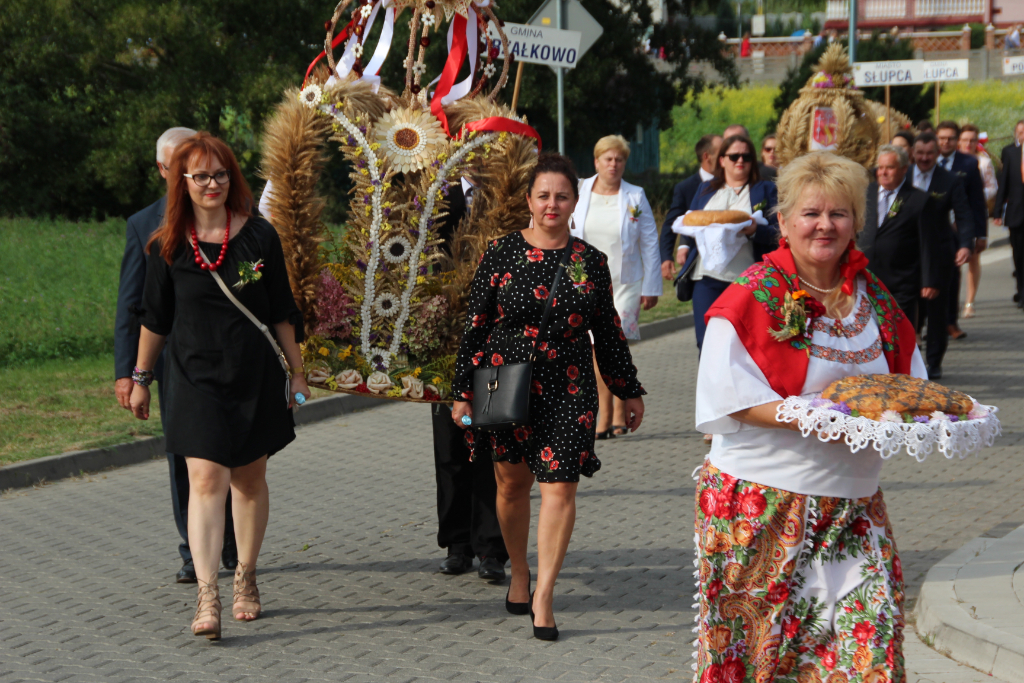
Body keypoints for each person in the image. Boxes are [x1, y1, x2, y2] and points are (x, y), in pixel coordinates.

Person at [692, 151, 926, 683]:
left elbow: (907, 385)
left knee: (872, 656)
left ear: (857, 224)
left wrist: (930, 415)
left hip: (854, 511)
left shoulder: (876, 300)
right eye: (811, 213)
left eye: (839, 214)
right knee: (759, 665)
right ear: (783, 221)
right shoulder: (751, 295)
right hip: (765, 506)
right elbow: (726, 399)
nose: (825, 225)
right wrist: (814, 413)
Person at [451, 153, 647, 640]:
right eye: (544, 196)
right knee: (512, 486)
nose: (552, 204)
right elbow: (475, 326)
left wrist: (627, 389)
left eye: (562, 196)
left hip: (570, 384)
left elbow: (609, 332)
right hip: (506, 381)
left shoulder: (589, 263)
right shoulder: (500, 254)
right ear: (529, 201)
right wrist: (461, 392)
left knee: (560, 487)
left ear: (575, 203)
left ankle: (544, 594)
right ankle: (519, 570)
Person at [130, 132, 309, 640]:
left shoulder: (258, 236)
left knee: (248, 481)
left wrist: (297, 372)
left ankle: (246, 577)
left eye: (221, 174)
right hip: (192, 376)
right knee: (206, 479)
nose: (212, 184)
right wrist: (141, 378)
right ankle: (207, 592)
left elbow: (281, 311)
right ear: (180, 182)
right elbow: (155, 319)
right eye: (201, 176)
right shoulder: (165, 243)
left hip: (252, 374)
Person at [114, 126, 238, 584]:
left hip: (234, 361)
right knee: (188, 461)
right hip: (178, 366)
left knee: (234, 457)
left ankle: (233, 546)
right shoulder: (145, 225)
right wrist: (130, 374)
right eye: (177, 169)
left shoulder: (240, 221)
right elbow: (134, 307)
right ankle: (193, 551)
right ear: (165, 171)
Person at [430, 179, 508, 581]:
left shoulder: (509, 189)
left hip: (498, 338)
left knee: (493, 446)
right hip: (446, 337)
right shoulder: (434, 192)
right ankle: (457, 543)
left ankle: (492, 547)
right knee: (450, 449)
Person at [571, 135, 660, 438]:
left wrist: (652, 286)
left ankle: (612, 414)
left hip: (626, 282)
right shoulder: (580, 190)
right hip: (587, 282)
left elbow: (649, 242)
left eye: (619, 159)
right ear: (596, 162)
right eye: (607, 159)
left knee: (615, 344)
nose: (613, 164)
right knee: (596, 348)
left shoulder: (635, 196)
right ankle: (608, 412)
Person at [677, 134, 778, 349]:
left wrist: (754, 230)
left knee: (742, 343)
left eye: (746, 156)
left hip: (747, 279)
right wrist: (684, 245)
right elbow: (692, 220)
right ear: (722, 160)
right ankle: (708, 383)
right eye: (734, 156)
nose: (740, 161)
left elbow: (780, 232)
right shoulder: (706, 189)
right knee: (706, 342)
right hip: (706, 277)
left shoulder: (765, 190)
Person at [911, 132, 974, 379]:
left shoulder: (949, 180)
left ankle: (934, 362)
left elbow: (964, 214)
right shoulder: (903, 176)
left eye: (929, 153)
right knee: (910, 310)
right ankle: (910, 359)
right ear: (913, 154)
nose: (924, 158)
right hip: (910, 254)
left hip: (939, 255)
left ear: (937, 154)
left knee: (937, 312)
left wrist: (965, 244)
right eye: (920, 153)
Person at [860, 144, 942, 327]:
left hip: (901, 282)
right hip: (867, 279)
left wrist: (930, 280)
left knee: (898, 334)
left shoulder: (919, 200)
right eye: (880, 167)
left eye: (889, 167)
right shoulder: (865, 194)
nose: (883, 172)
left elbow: (929, 243)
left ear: (904, 168)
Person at [935, 121, 986, 340]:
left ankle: (950, 322)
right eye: (941, 138)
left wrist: (980, 234)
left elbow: (977, 201)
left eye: (950, 138)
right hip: (929, 230)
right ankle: (927, 325)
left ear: (956, 141)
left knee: (952, 277)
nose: (945, 142)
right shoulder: (925, 161)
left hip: (955, 229)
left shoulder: (967, 163)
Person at [659, 134, 721, 281]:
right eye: (722, 152)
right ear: (707, 156)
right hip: (698, 263)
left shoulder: (734, 183)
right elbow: (671, 223)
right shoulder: (686, 188)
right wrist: (666, 257)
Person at [959, 123, 997, 318]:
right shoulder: (951, 161)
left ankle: (969, 301)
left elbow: (992, 187)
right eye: (964, 140)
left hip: (974, 213)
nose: (968, 144)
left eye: (972, 140)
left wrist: (975, 194)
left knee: (973, 257)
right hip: (953, 214)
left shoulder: (983, 162)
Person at [994, 119, 1024, 309]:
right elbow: (1003, 182)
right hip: (1017, 212)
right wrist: (997, 211)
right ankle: (1021, 292)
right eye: (1020, 132)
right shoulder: (1010, 152)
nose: (1023, 135)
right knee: (1019, 256)